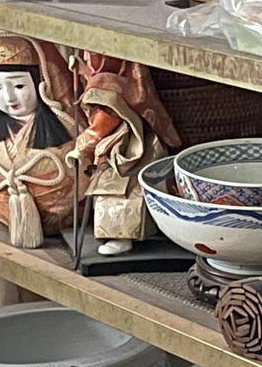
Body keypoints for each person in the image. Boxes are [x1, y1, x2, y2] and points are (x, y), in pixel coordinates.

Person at [0, 35, 79, 249]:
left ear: (41, 83)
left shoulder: (67, 124)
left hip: (64, 217)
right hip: (6, 214)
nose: (9, 98)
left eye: (19, 86)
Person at [68, 53, 180, 256]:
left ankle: (121, 237)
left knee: (117, 192)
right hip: (118, 144)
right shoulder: (112, 82)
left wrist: (80, 149)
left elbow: (101, 126)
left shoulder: (110, 89)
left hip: (129, 148)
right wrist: (83, 69)